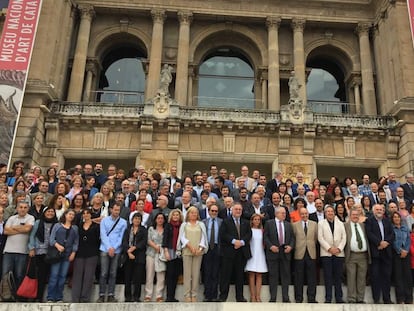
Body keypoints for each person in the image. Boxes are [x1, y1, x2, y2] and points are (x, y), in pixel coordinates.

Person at [219, 202, 252, 302]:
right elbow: (223, 234)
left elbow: (248, 234)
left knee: (240, 276)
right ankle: (223, 296)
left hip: (241, 252)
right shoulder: (226, 221)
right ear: (232, 210)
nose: (238, 211)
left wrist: (241, 242)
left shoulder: (245, 222)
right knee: (226, 275)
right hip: (228, 252)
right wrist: (234, 241)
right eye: (236, 209)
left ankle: (240, 296)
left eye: (240, 210)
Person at [97, 202, 127, 303]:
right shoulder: (104, 221)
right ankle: (101, 295)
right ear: (111, 210)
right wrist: (109, 247)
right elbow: (103, 235)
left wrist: (114, 248)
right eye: (115, 210)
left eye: (118, 210)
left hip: (116, 250)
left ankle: (111, 294)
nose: (116, 212)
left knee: (113, 273)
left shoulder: (123, 222)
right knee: (104, 273)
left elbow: (121, 237)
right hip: (105, 249)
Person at [47, 209, 79, 303]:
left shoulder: (75, 228)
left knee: (62, 276)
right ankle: (50, 297)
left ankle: (59, 297)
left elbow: (76, 242)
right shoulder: (57, 226)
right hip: (57, 254)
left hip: (67, 255)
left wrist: (73, 253)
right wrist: (57, 245)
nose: (71, 216)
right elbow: (51, 239)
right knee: (54, 275)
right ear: (65, 215)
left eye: (73, 215)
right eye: (69, 214)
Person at [365, 204, 395, 304]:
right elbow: (369, 234)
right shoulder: (369, 221)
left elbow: (392, 234)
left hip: (386, 253)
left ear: (383, 211)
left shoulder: (387, 221)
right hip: (376, 252)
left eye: (381, 209)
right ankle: (376, 298)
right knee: (375, 276)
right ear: (373, 211)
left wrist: (385, 242)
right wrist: (379, 242)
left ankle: (387, 298)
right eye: (377, 209)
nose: (379, 211)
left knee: (387, 276)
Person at [177, 206, 208, 302]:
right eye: (192, 212)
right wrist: (190, 247)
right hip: (187, 251)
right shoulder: (184, 225)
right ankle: (187, 295)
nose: (194, 214)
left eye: (195, 212)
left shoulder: (201, 224)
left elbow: (203, 237)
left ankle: (194, 295)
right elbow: (182, 237)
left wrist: (200, 248)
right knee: (187, 274)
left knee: (196, 274)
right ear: (188, 214)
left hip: (198, 252)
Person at [264, 206, 295, 303]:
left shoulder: (288, 225)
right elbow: (265, 237)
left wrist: (290, 246)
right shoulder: (269, 223)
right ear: (276, 214)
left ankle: (285, 297)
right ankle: (273, 297)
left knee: (285, 275)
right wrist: (270, 246)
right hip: (273, 252)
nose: (284, 215)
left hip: (285, 252)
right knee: (273, 275)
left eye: (285, 213)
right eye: (282, 213)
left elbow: (292, 238)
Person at [2, 200, 35, 290]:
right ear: (17, 208)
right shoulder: (12, 218)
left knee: (20, 275)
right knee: (5, 274)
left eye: (25, 207)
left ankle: (18, 296)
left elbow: (27, 229)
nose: (22, 209)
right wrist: (22, 228)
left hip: (23, 252)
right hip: (8, 251)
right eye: (21, 207)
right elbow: (5, 231)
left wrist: (13, 227)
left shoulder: (30, 218)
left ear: (28, 209)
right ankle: (6, 296)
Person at [28, 206, 58, 302]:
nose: (50, 213)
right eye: (48, 211)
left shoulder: (57, 224)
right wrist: (31, 248)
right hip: (39, 252)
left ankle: (41, 296)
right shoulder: (38, 222)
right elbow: (32, 235)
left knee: (46, 277)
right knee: (38, 276)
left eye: (52, 212)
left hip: (51, 253)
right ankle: (35, 297)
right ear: (44, 213)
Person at [318, 205, 346, 303]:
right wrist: (329, 248)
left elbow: (344, 237)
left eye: (331, 211)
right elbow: (320, 238)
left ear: (334, 213)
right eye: (328, 211)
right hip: (326, 253)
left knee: (338, 276)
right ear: (325, 213)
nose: (330, 213)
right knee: (328, 276)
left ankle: (339, 297)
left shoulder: (340, 224)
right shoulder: (321, 223)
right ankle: (328, 298)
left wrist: (339, 249)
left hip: (339, 253)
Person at [72, 209, 100, 303]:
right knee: (77, 276)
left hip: (92, 253)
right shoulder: (78, 227)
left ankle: (85, 298)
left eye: (87, 213)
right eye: (84, 213)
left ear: (91, 215)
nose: (86, 215)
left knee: (88, 276)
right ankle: (75, 298)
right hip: (80, 253)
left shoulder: (96, 226)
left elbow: (98, 240)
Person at [292, 207, 318, 303]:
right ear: (299, 214)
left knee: (312, 277)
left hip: (311, 253)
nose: (304, 215)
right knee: (299, 277)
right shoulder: (294, 225)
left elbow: (315, 238)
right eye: (302, 214)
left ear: (308, 214)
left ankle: (311, 298)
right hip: (299, 253)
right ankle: (298, 298)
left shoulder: (314, 224)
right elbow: (294, 238)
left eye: (306, 213)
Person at [344, 208, 370, 304]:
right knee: (351, 277)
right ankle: (351, 298)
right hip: (351, 255)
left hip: (363, 256)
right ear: (350, 216)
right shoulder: (345, 225)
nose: (355, 216)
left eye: (357, 215)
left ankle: (360, 298)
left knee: (361, 278)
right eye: (353, 215)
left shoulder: (363, 226)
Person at [123, 212, 148, 302]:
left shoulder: (144, 230)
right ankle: (128, 296)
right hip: (128, 255)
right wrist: (128, 251)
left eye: (139, 219)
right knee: (128, 277)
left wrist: (135, 247)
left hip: (139, 255)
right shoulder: (127, 229)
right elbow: (124, 241)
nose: (137, 220)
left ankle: (136, 296)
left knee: (138, 277)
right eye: (135, 218)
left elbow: (144, 241)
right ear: (132, 219)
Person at [390, 212, 413, 304]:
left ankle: (409, 298)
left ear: (400, 219)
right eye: (394, 217)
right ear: (392, 219)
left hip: (406, 254)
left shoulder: (405, 228)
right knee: (398, 276)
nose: (396, 219)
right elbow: (392, 241)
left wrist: (406, 250)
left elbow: (408, 240)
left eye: (398, 217)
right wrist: (400, 250)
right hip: (396, 254)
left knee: (407, 276)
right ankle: (400, 298)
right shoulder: (391, 229)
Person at [144, 212, 166, 302]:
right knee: (149, 274)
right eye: (158, 218)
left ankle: (159, 295)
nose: (160, 220)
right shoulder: (151, 229)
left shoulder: (166, 229)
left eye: (162, 218)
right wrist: (155, 247)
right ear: (155, 219)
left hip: (161, 254)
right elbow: (148, 240)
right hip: (151, 253)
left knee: (161, 275)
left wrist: (161, 248)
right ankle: (148, 295)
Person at [245, 213, 267, 302]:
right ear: (252, 221)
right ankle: (252, 296)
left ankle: (258, 296)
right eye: (255, 219)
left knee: (259, 275)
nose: (257, 221)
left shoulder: (262, 230)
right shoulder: (249, 230)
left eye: (258, 219)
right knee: (251, 275)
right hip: (252, 253)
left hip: (260, 253)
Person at [162, 209, 183, 302]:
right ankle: (168, 296)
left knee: (176, 275)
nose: (175, 216)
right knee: (170, 274)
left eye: (177, 215)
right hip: (170, 251)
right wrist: (166, 251)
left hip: (179, 252)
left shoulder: (182, 226)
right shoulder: (168, 226)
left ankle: (173, 296)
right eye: (174, 215)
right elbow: (165, 239)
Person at [202, 204, 222, 302]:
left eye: (216, 211)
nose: (214, 213)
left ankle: (214, 295)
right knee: (207, 272)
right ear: (209, 211)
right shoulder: (204, 222)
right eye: (212, 211)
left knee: (215, 273)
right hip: (207, 248)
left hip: (217, 249)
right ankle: (207, 295)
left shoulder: (221, 222)